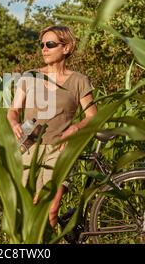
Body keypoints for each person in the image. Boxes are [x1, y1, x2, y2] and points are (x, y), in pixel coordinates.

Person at [7, 25, 97, 228]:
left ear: (66, 48)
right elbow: (13, 110)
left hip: (60, 149)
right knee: (29, 209)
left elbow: (92, 115)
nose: (44, 49)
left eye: (50, 44)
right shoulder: (29, 77)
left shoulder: (78, 81)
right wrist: (14, 123)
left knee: (51, 209)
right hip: (28, 146)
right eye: (42, 45)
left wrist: (75, 128)